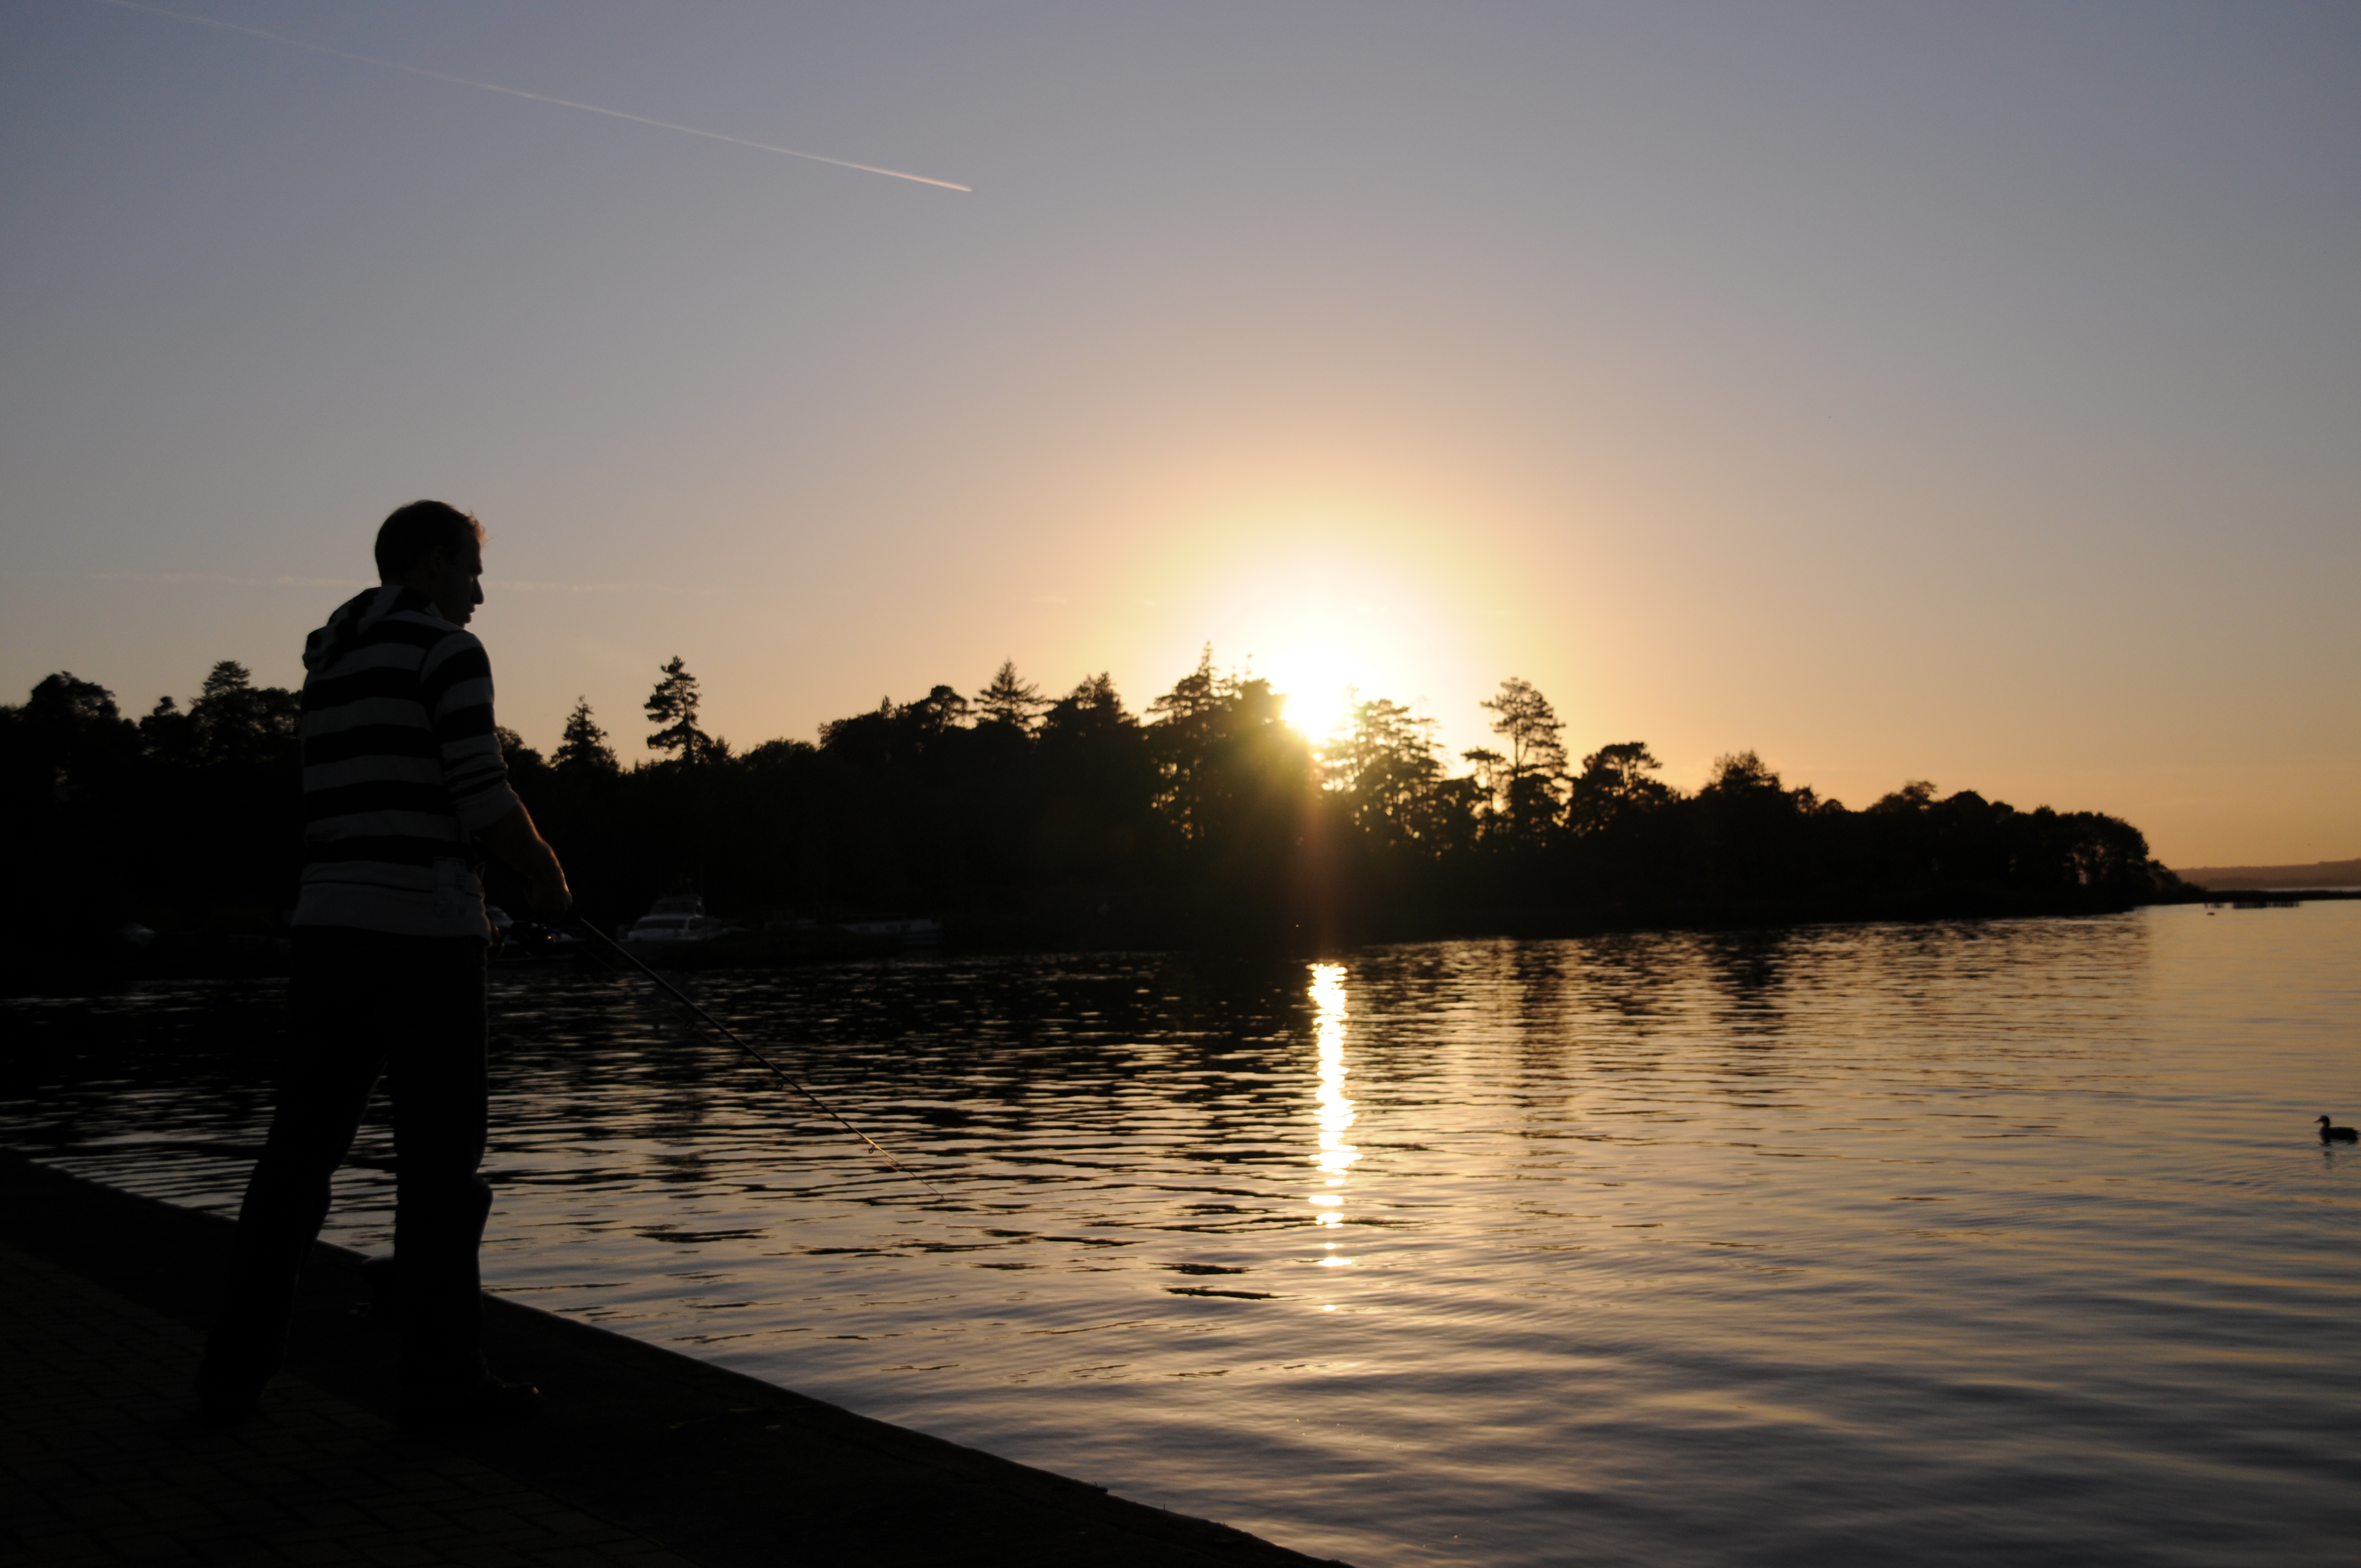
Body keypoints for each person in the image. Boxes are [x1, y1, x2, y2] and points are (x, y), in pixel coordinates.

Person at [198, 500, 572, 1429]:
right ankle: (444, 1384)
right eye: (472, 571)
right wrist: (545, 874)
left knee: (296, 1162)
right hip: (424, 939)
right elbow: (481, 793)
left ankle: (232, 1375)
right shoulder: (448, 651)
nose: (480, 593)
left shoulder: (329, 660)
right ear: (434, 564)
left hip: (326, 928)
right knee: (440, 1170)